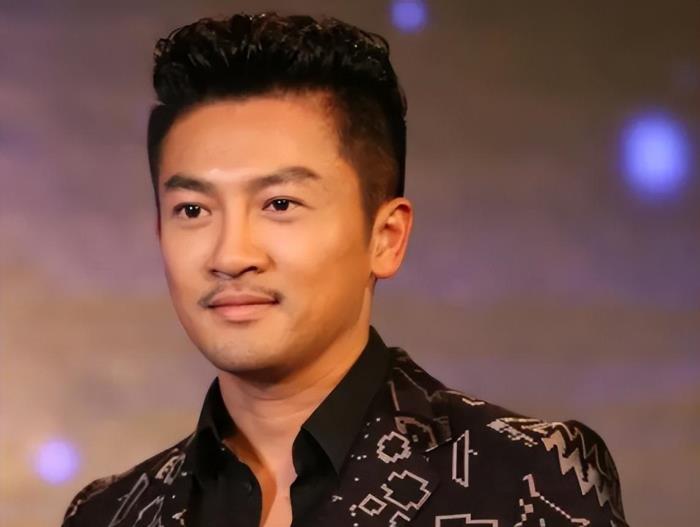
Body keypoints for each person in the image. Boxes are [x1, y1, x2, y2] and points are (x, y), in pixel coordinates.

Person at [61, 11, 628, 527]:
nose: (230, 255)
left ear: (386, 238)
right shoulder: (107, 514)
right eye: (192, 210)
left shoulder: (527, 480)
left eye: (279, 203)